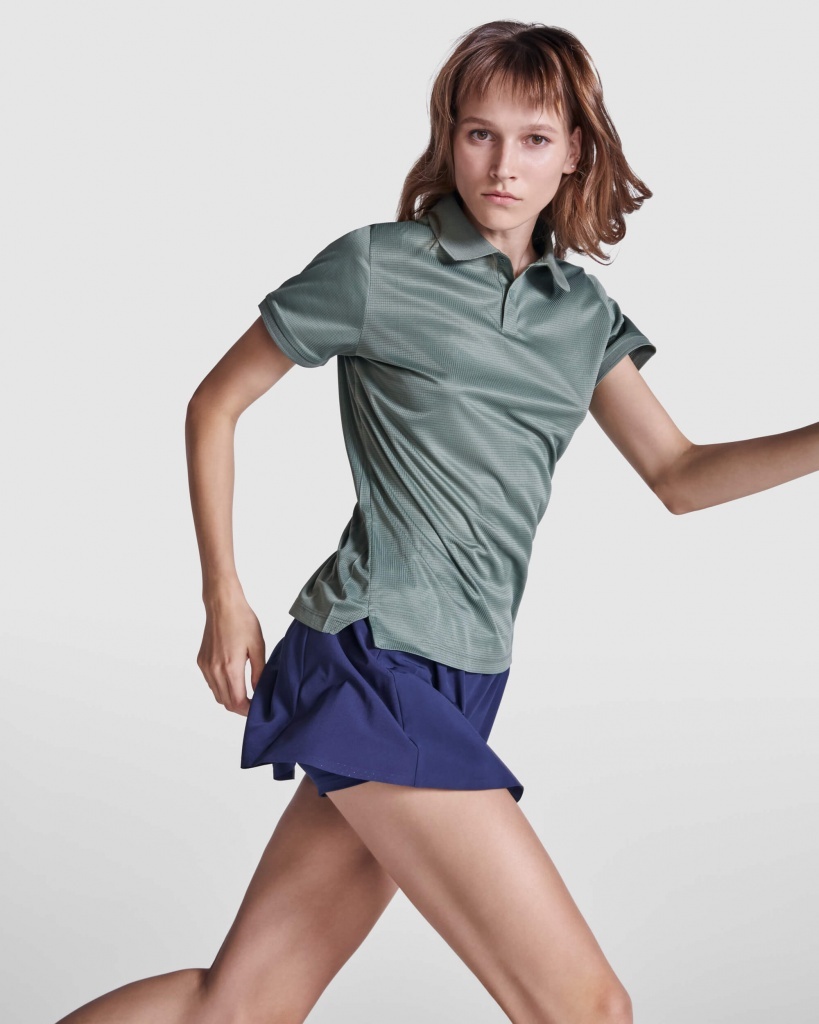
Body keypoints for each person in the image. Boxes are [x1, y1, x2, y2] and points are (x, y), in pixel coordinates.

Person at [55, 19, 819, 1024]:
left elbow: (678, 474)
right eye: (478, 134)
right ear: (448, 138)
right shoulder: (377, 267)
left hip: (469, 675)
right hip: (371, 658)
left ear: (574, 151)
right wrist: (223, 594)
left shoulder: (580, 315)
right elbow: (216, 404)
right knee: (587, 1008)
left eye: (533, 139)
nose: (502, 165)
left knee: (236, 1008)